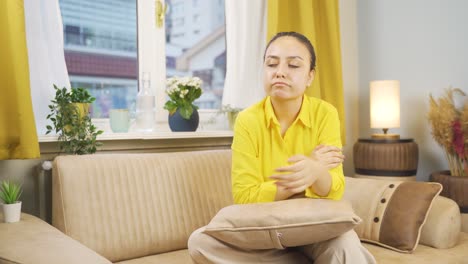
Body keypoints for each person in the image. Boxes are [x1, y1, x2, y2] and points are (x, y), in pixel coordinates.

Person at [188, 31, 376, 264]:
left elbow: (334, 190)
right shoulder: (248, 120)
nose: (280, 72)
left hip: (314, 226)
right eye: (272, 63)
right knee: (200, 242)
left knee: (345, 245)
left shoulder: (325, 113)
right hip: (264, 227)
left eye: (294, 65)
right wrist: (308, 169)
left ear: (310, 76)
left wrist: (316, 173)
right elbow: (245, 197)